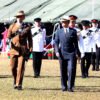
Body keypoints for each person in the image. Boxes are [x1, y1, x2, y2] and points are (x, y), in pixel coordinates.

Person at [7, 10, 32, 90]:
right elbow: (8, 36)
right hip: (14, 49)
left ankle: (19, 84)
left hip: (23, 49)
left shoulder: (27, 27)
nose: (19, 18)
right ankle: (15, 81)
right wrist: (8, 40)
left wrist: (30, 48)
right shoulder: (12, 26)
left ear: (23, 17)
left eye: (21, 16)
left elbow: (30, 39)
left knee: (21, 67)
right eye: (18, 16)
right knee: (12, 67)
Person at [55, 16, 78, 92]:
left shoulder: (73, 31)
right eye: (62, 22)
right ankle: (64, 86)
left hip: (71, 53)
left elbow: (76, 44)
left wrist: (76, 53)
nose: (62, 23)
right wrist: (57, 51)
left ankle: (70, 86)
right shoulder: (58, 31)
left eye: (64, 22)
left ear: (68, 22)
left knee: (71, 69)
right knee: (63, 70)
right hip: (62, 53)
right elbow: (56, 42)